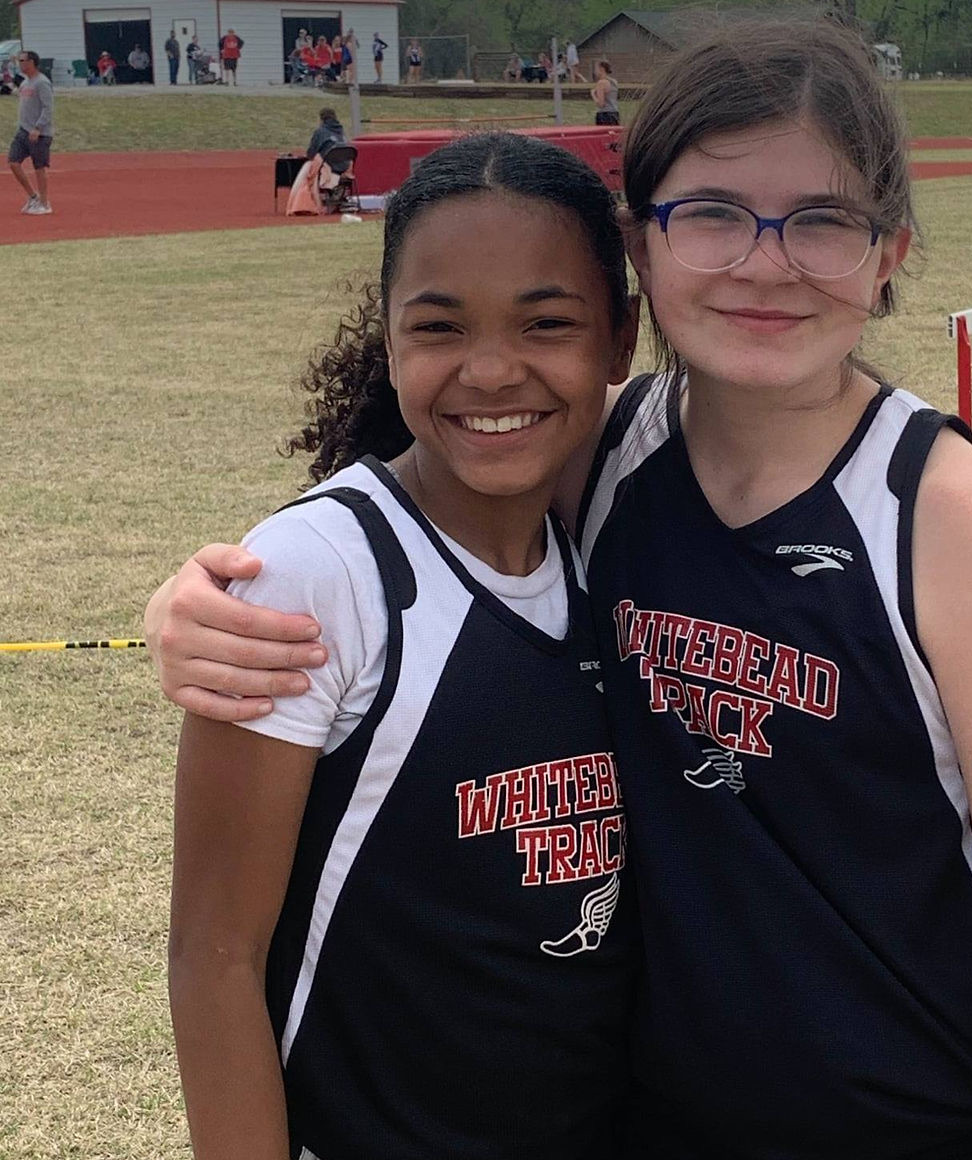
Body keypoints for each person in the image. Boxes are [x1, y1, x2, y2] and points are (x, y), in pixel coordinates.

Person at [147, 18, 972, 1160]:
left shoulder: (951, 517)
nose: (765, 261)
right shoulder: (606, 457)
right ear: (640, 247)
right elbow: (422, 484)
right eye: (711, 214)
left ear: (889, 250)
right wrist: (200, 600)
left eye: (821, 220)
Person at [169, 131, 638, 1159]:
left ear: (618, 339)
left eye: (546, 323)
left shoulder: (608, 545)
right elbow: (216, 957)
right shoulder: (320, 572)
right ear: (387, 343)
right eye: (439, 327)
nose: (490, 369)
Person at [8, 49, 53, 215]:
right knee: (13, 162)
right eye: (19, 60)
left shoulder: (42, 83)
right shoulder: (25, 83)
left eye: (22, 60)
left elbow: (48, 108)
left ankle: (44, 202)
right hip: (23, 131)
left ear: (32, 62)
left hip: (39, 133)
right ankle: (33, 197)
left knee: (39, 167)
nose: (20, 63)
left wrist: (38, 127)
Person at [591, 59, 619, 125]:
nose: (595, 72)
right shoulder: (614, 82)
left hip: (604, 115)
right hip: (614, 113)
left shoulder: (601, 83)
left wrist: (593, 95)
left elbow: (601, 104)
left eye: (596, 69)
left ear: (601, 69)